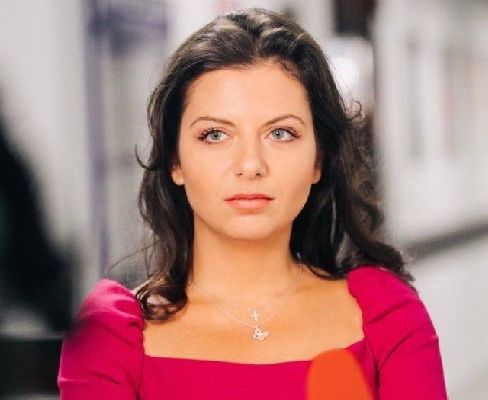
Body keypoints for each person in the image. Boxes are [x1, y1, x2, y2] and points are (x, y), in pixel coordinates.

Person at [57, 7, 448, 399]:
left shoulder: (387, 316)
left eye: (281, 133)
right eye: (215, 135)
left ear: (319, 159)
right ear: (175, 161)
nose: (250, 165)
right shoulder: (110, 336)